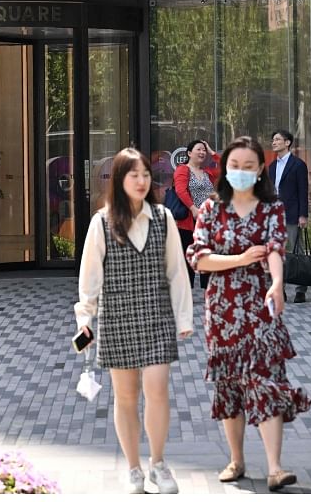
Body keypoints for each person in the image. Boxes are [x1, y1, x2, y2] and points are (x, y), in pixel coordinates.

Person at [187, 136, 311, 493]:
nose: (241, 172)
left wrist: (277, 283)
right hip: (223, 309)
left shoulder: (271, 208)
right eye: (235, 166)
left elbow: (274, 248)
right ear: (225, 169)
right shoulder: (212, 208)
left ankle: (275, 467)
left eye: (249, 166)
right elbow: (198, 257)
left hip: (260, 308)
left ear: (260, 170)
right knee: (230, 384)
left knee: (266, 379)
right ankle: (236, 459)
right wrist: (240, 259)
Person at [75, 148, 194, 494]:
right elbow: (90, 277)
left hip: (157, 316)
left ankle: (158, 463)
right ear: (119, 180)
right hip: (117, 318)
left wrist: (183, 317)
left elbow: (177, 271)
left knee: (157, 389)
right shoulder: (102, 222)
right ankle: (133, 468)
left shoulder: (163, 219)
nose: (142, 181)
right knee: (125, 396)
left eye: (145, 175)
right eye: (134, 175)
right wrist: (85, 318)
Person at [172, 139, 219, 289]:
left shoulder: (207, 172)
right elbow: (180, 190)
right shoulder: (183, 169)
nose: (202, 152)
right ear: (189, 153)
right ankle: (187, 293)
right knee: (188, 259)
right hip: (188, 222)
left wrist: (213, 153)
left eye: (204, 150)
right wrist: (193, 208)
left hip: (208, 221)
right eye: (199, 149)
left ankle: (207, 291)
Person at [270, 129, 311, 303]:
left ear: (287, 143)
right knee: (278, 253)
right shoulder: (271, 167)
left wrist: (303, 215)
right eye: (273, 139)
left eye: (277, 139)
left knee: (296, 252)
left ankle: (301, 289)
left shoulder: (298, 165)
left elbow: (303, 191)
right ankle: (281, 288)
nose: (274, 142)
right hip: (275, 215)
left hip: (293, 214)